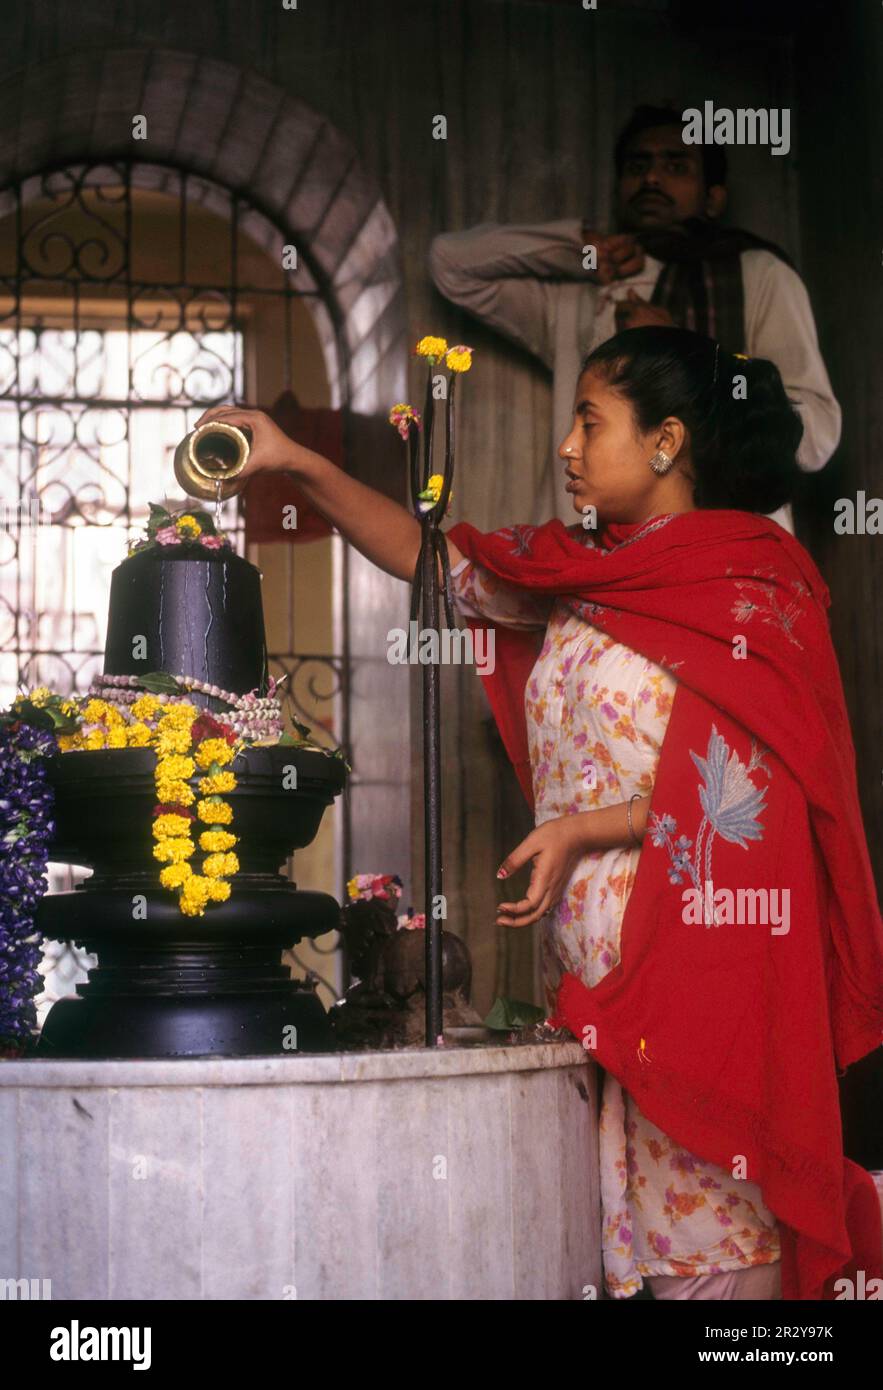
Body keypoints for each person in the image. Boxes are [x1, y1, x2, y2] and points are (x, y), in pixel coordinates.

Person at [194, 328, 883, 1301]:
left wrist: (582, 828)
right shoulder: (579, 574)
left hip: (705, 970)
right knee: (617, 1252)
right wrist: (298, 462)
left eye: (589, 421)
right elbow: (429, 561)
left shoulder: (751, 582)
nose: (565, 446)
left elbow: (760, 799)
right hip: (589, 971)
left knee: (711, 1247)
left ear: (665, 441)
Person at [429, 105, 841, 534]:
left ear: (713, 196)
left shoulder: (758, 275)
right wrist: (576, 249)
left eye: (675, 165)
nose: (651, 179)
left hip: (724, 559)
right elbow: (449, 263)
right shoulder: (583, 292)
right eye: (637, 165)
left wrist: (683, 351)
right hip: (595, 560)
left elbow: (816, 437)